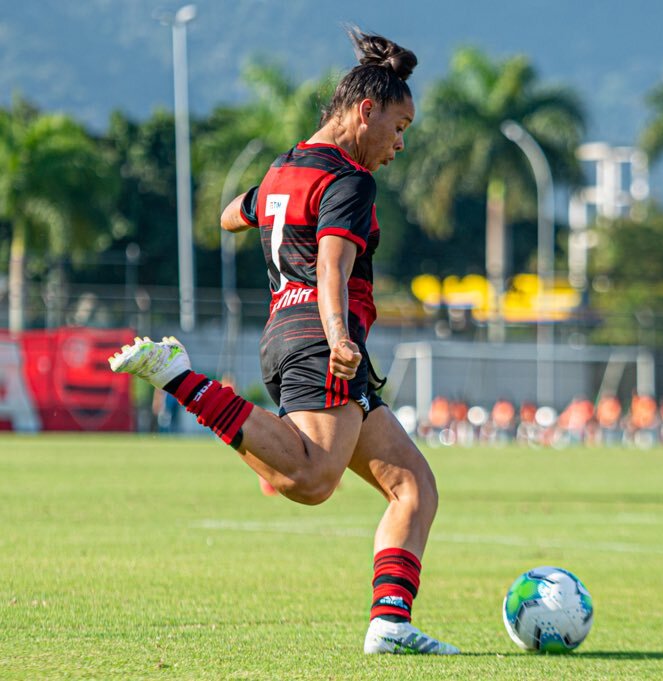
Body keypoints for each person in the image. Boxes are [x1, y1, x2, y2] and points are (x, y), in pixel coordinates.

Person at [109, 30, 457, 656]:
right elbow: (332, 268)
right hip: (321, 342)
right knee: (311, 478)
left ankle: (391, 625)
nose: (400, 145)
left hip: (283, 336)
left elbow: (230, 215)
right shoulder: (350, 182)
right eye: (400, 127)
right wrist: (338, 335)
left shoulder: (282, 168)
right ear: (365, 111)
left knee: (414, 487)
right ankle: (182, 379)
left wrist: (272, 208)